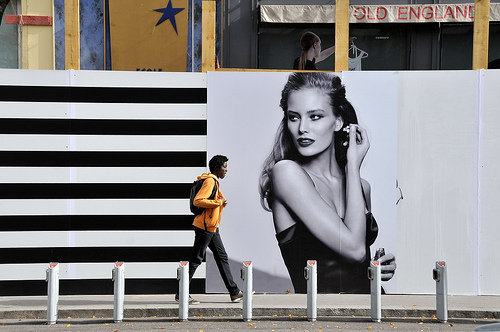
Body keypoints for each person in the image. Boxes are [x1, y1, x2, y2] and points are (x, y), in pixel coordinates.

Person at [259, 72, 396, 293]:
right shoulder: (286, 173)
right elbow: (354, 249)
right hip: (322, 317)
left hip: (370, 312)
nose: (302, 127)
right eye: (294, 117)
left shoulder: (361, 187)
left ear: (338, 121)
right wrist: (353, 164)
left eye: (315, 116)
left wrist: (375, 268)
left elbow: (357, 260)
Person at [176, 155, 243, 304]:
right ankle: (181, 294)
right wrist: (217, 202)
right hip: (205, 227)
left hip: (211, 227)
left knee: (222, 257)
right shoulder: (210, 181)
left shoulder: (213, 181)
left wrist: (219, 203)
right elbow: (198, 200)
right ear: (217, 168)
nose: (226, 170)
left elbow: (212, 202)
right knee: (196, 259)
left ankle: (234, 292)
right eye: (224, 167)